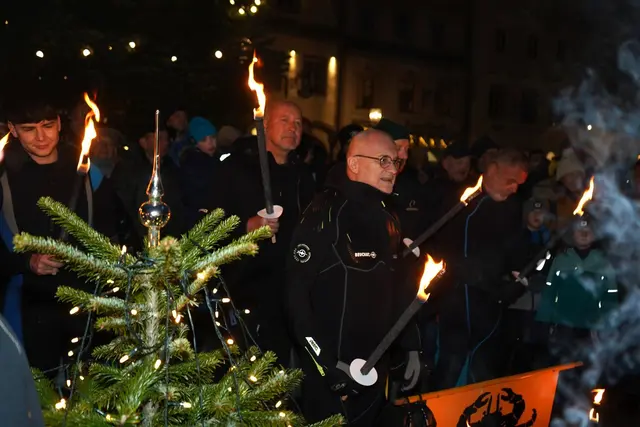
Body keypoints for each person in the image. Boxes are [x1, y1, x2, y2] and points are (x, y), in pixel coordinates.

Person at [287, 129, 421, 425]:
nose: (392, 169)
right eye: (383, 160)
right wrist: (326, 366)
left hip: (375, 369)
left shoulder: (389, 217)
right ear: (354, 163)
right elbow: (295, 295)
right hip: (331, 373)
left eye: (396, 162)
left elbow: (398, 289)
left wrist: (411, 346)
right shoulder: (325, 212)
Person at [0, 91, 118, 378]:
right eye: (29, 129)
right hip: (30, 303)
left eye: (47, 126)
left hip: (88, 299)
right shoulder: (4, 177)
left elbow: (114, 230)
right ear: (13, 130)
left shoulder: (86, 169)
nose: (41, 137)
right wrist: (27, 262)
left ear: (59, 124)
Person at [207, 100, 315, 364]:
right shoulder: (237, 168)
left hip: (289, 290)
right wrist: (248, 226)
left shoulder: (303, 175)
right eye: (285, 120)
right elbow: (210, 224)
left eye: (298, 123)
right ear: (264, 126)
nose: (293, 128)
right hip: (245, 288)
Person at [426, 148, 529, 390]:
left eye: (519, 184)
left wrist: (519, 281)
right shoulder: (460, 200)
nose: (514, 188)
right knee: (450, 367)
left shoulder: (511, 208)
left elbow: (516, 253)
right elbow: (439, 248)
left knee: (483, 371)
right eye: (510, 180)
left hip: (489, 307)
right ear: (492, 170)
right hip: (455, 304)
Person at [180, 116, 219, 227]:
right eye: (203, 140)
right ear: (194, 142)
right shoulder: (191, 164)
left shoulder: (217, 158)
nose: (210, 143)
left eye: (213, 137)